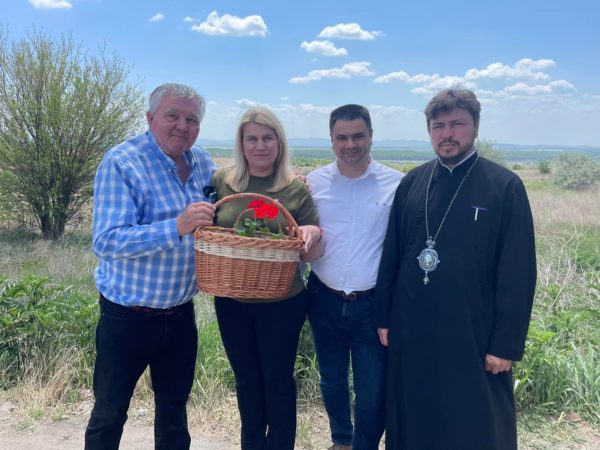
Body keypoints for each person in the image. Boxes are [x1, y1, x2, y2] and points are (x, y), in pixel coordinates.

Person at [375, 89, 537, 450]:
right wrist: (384, 317)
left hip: (473, 331)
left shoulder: (504, 186)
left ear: (475, 127)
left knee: (472, 420)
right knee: (415, 413)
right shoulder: (412, 183)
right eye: (438, 126)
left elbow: (518, 272)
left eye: (457, 124)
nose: (447, 134)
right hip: (413, 327)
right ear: (429, 131)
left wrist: (505, 343)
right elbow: (392, 255)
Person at [86, 83, 217, 449]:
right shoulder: (122, 162)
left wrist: (288, 188)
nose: (182, 126)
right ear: (151, 118)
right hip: (127, 316)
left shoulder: (203, 163)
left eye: (192, 120)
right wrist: (176, 227)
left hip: (180, 314)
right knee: (110, 411)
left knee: (174, 412)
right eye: (172, 116)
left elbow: (232, 202)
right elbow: (107, 240)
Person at [210, 107, 323, 450]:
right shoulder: (222, 181)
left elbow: (312, 253)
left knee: (278, 381)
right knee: (246, 381)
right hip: (231, 301)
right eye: (252, 139)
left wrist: (313, 234)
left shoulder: (296, 189)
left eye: (267, 138)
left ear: (279, 142)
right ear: (241, 144)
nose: (260, 146)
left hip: (283, 301)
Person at [306, 104, 403, 450]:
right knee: (331, 380)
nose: (350, 144)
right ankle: (341, 441)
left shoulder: (397, 185)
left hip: (372, 305)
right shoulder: (312, 183)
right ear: (331, 140)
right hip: (323, 298)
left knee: (372, 390)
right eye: (342, 137)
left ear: (371, 136)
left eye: (358, 136)